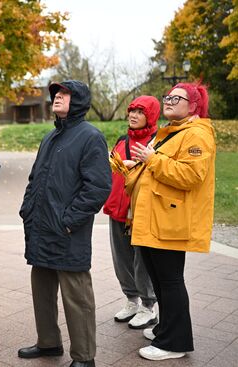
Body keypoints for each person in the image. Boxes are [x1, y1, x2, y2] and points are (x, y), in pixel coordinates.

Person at [17, 80, 111, 367]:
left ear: (79, 100)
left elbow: (98, 187)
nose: (57, 97)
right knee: (41, 290)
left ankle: (84, 357)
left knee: (77, 297)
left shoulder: (90, 137)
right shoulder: (50, 137)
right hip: (41, 229)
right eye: (56, 94)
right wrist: (27, 211)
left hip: (67, 232)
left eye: (65, 94)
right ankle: (49, 343)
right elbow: (36, 178)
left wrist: (68, 221)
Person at [128, 82, 215, 361]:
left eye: (177, 98)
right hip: (157, 219)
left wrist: (151, 160)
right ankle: (165, 328)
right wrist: (138, 164)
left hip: (171, 220)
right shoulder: (172, 132)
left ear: (193, 106)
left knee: (170, 280)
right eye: (168, 96)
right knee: (159, 278)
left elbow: (191, 176)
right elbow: (161, 168)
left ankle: (175, 343)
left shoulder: (197, 135)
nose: (168, 100)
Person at [103, 96, 159, 329]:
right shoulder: (121, 140)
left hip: (142, 211)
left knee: (142, 260)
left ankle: (148, 306)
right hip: (118, 208)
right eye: (132, 111)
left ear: (151, 115)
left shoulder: (158, 142)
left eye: (140, 112)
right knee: (122, 258)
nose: (133, 115)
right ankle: (131, 300)